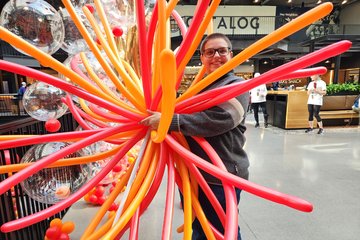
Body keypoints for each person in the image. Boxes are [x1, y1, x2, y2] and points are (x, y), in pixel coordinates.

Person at [140, 33, 249, 240]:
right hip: (194, 174)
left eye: (222, 51)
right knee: (199, 227)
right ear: (202, 58)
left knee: (223, 230)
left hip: (221, 174)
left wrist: (169, 121)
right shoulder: (200, 87)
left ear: (231, 54)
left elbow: (220, 119)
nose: (216, 56)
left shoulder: (236, 85)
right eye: (210, 52)